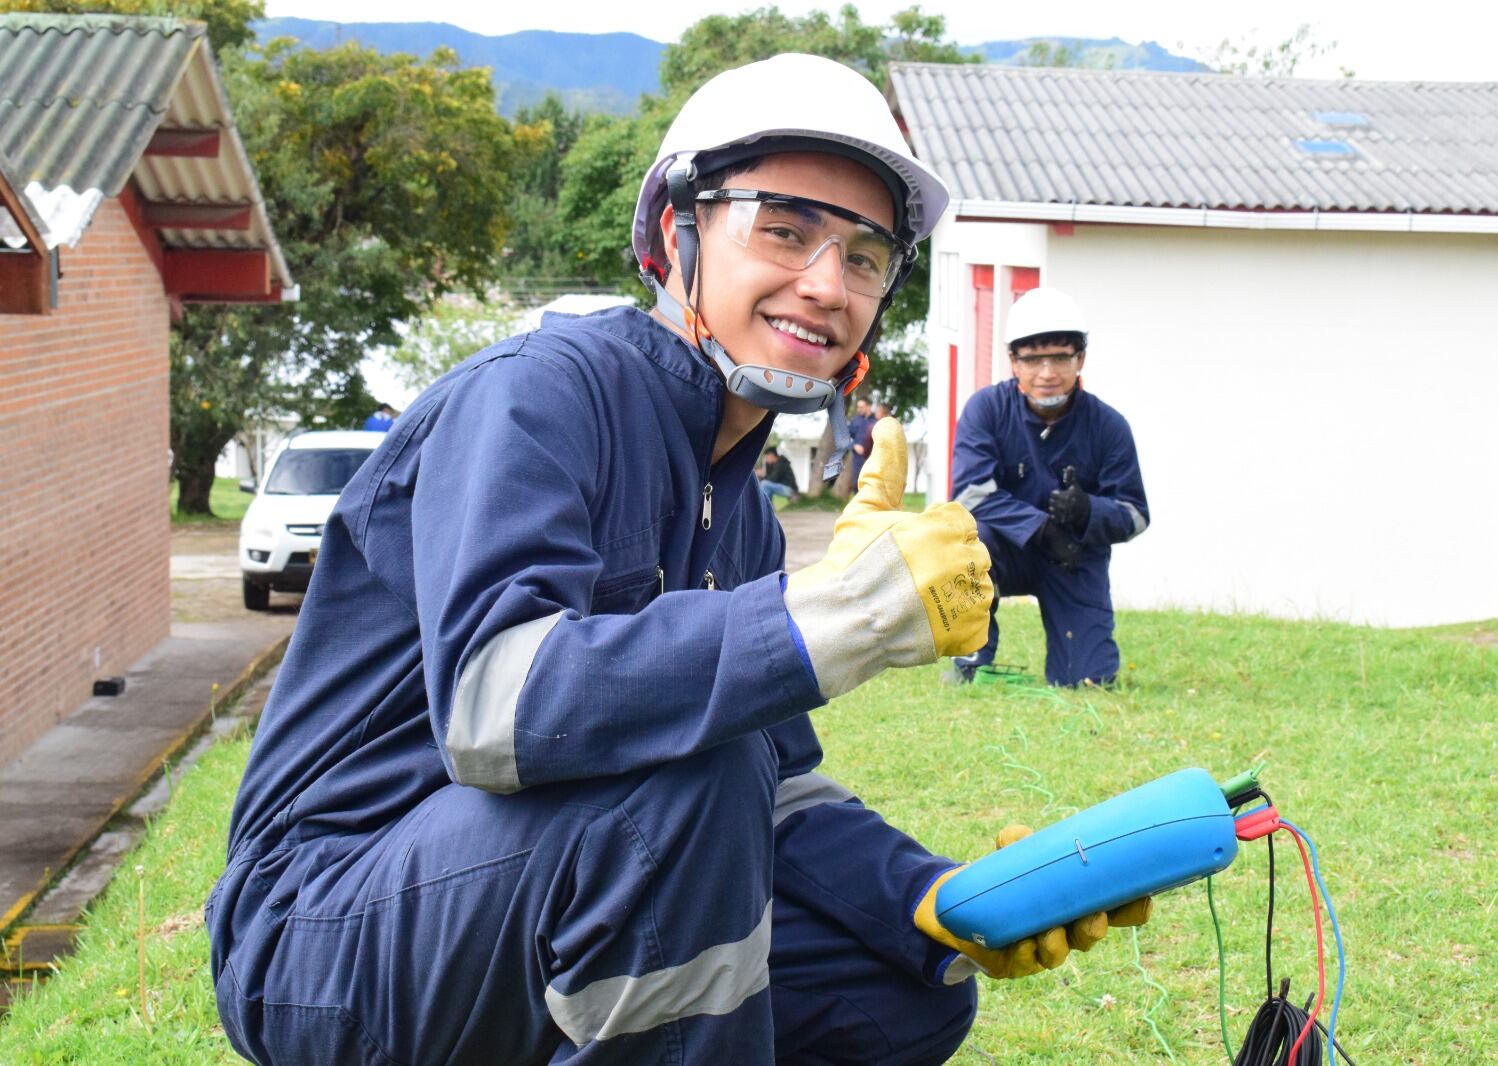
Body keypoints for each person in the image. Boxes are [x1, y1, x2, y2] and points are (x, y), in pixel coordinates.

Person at [207, 54, 1147, 1066]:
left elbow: (779, 782)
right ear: (675, 233)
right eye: (784, 229)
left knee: (896, 992)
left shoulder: (737, 506)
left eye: (866, 255)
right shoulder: (536, 397)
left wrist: (934, 898)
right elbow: (492, 705)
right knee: (680, 787)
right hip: (321, 925)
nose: (827, 285)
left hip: (518, 890)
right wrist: (842, 609)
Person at [948, 286, 1149, 688]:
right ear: (1013, 362)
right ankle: (971, 662)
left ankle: (1080, 665)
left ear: (1081, 360)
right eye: (1033, 358)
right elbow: (970, 494)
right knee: (966, 542)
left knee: (1089, 681)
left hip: (1073, 557)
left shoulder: (1109, 426)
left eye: (1059, 357)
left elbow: (1136, 514)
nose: (1047, 372)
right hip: (1005, 548)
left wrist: (1089, 510)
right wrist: (1040, 528)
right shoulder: (985, 410)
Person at [842, 396, 876, 494]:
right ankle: (860, 507)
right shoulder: (855, 420)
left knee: (872, 483)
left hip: (872, 458)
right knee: (858, 483)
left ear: (868, 407)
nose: (858, 409)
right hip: (858, 458)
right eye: (858, 407)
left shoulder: (877, 421)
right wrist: (854, 445)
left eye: (861, 407)